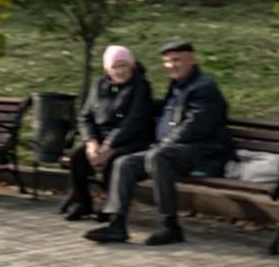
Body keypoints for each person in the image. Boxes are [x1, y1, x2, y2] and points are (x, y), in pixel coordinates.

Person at [84, 38, 233, 245]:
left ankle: (170, 226)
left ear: (191, 59)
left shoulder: (204, 88)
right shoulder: (179, 84)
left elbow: (194, 128)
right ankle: (116, 224)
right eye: (167, 61)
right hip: (172, 150)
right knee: (124, 162)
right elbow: (167, 110)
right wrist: (138, 101)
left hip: (202, 152)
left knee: (158, 156)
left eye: (177, 60)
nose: (171, 65)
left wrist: (162, 145)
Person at [59, 45, 153, 221]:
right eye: (115, 66)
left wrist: (109, 145)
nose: (120, 71)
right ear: (107, 69)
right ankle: (82, 203)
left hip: (130, 140)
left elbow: (135, 121)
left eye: (124, 65)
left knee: (113, 160)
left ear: (131, 66)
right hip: (100, 139)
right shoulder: (99, 85)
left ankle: (111, 207)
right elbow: (85, 116)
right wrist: (91, 142)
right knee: (77, 157)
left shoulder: (141, 86)